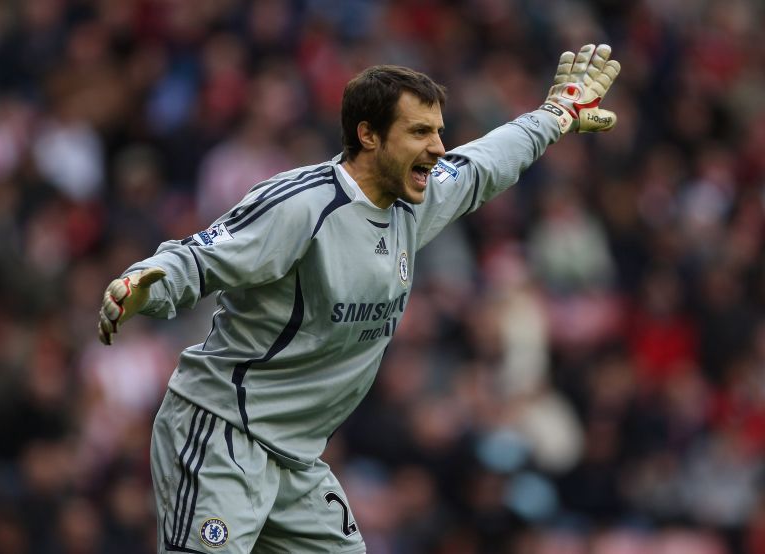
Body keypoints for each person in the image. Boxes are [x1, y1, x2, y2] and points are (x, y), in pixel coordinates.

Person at [98, 44, 620, 554]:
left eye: (438, 131)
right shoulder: (302, 206)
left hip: (296, 457)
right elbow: (199, 256)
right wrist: (147, 282)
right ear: (368, 135)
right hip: (220, 433)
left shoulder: (416, 200)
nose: (438, 147)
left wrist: (554, 116)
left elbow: (483, 162)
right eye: (419, 132)